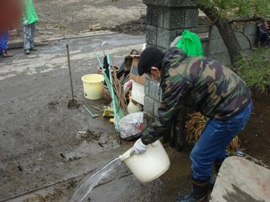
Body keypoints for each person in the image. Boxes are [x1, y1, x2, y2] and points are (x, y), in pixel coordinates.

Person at [131, 46, 253, 202]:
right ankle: (222, 178)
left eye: (150, 75)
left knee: (200, 156)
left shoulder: (174, 78)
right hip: (236, 102)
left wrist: (144, 140)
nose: (153, 79)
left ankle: (198, 196)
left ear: (155, 70)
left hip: (232, 112)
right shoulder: (177, 61)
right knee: (212, 145)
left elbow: (165, 116)